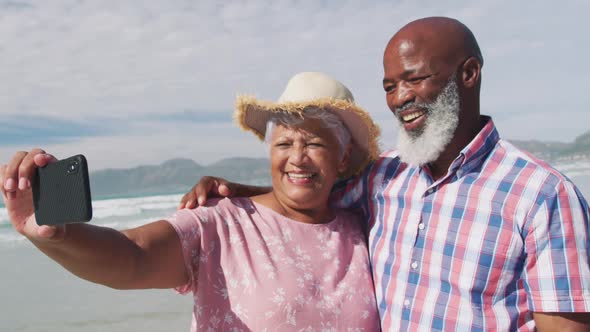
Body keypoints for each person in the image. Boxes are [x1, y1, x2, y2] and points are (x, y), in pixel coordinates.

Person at [179, 17, 590, 331]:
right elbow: (308, 195)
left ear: (469, 74)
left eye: (415, 79)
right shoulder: (385, 176)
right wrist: (236, 193)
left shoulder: (542, 195)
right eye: (390, 86)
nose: (400, 99)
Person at [0, 72, 382, 331]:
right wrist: (55, 236)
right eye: (284, 143)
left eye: (314, 143)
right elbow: (131, 255)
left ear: (343, 157)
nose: (297, 158)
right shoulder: (222, 221)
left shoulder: (362, 227)